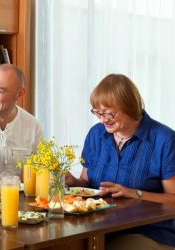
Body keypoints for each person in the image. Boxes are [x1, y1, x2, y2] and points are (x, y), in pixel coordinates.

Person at [65, 74, 175, 250]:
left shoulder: (164, 139)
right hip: (97, 228)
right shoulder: (96, 134)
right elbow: (86, 183)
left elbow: (173, 199)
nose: (103, 119)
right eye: (98, 112)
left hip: (148, 232)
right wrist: (72, 182)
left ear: (130, 107)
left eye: (109, 113)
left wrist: (135, 193)